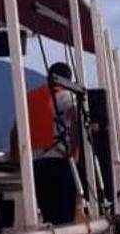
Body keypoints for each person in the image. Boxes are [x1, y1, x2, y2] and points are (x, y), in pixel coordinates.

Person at [10, 62, 80, 225]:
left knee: (48, 213)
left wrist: (15, 158)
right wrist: (74, 151)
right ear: (67, 80)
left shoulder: (30, 97)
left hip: (35, 165)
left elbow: (14, 132)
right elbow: (77, 119)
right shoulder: (65, 97)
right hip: (58, 163)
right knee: (64, 217)